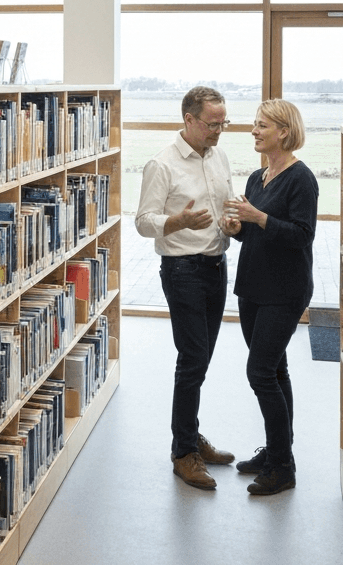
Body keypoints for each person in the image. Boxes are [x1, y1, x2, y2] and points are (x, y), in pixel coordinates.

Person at [135, 86, 237, 490]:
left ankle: (192, 435)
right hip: (183, 270)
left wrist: (231, 224)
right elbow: (144, 221)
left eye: (223, 123)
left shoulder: (219, 156)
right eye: (212, 124)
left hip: (217, 265)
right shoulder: (162, 164)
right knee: (192, 359)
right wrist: (177, 222)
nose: (219, 131)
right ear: (189, 120)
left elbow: (224, 206)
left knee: (202, 358)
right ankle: (183, 452)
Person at [220, 99, 318, 496]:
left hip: (285, 291)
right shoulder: (257, 178)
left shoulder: (302, 179)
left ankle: (283, 466)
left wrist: (258, 217)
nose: (254, 131)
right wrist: (236, 227)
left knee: (259, 372)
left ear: (284, 131)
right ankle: (278, 451)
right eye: (254, 125)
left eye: (262, 126)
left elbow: (301, 236)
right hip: (253, 288)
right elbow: (253, 233)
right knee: (276, 371)